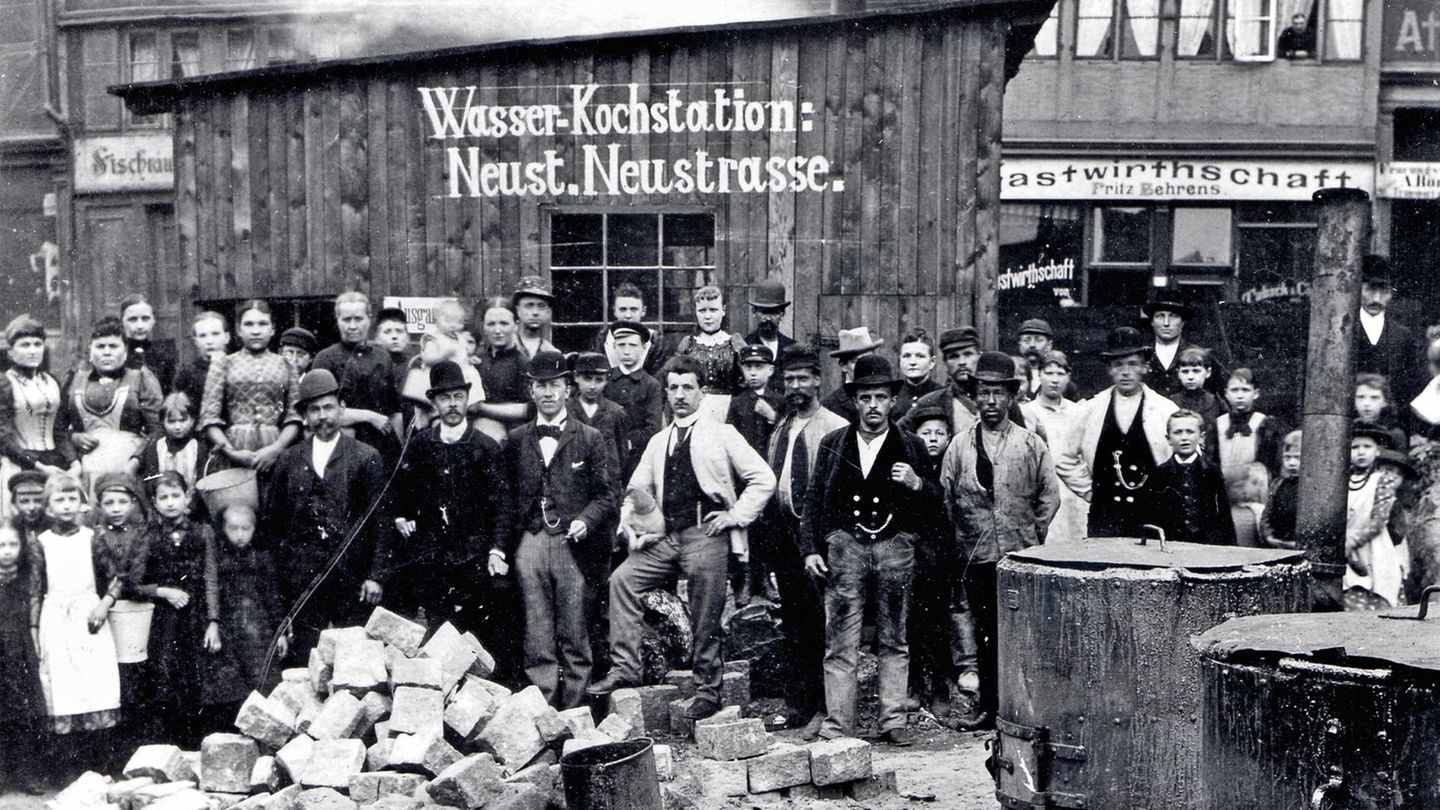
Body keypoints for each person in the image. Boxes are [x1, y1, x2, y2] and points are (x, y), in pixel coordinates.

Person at [588, 355, 775, 720]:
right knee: (623, 580)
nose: (679, 395)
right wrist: (634, 527)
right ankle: (626, 668)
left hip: (707, 534)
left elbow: (763, 479)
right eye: (673, 388)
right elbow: (636, 490)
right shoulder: (659, 441)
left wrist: (735, 516)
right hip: (666, 537)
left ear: (702, 392)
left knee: (706, 610)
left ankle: (708, 688)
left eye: (688, 387)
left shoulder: (722, 434)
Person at [800, 354, 939, 745]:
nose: (873, 405)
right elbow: (812, 500)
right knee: (841, 640)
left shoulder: (910, 445)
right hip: (846, 550)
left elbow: (936, 500)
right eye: (866, 398)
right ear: (855, 402)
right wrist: (812, 548)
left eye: (880, 397)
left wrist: (916, 484)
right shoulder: (833, 443)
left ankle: (893, 721)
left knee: (894, 638)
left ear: (892, 400)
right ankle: (838, 725)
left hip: (895, 548)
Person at [940, 352, 1058, 731]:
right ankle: (990, 709)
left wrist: (1030, 538)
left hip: (1020, 557)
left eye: (998, 394)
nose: (991, 402)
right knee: (986, 637)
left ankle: (1024, 710)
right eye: (984, 393)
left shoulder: (1030, 444)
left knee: (1022, 636)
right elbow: (947, 499)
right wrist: (964, 538)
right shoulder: (959, 446)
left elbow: (1049, 497)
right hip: (976, 557)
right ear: (974, 396)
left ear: (1012, 397)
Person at [389, 361, 517, 679]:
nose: (453, 405)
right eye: (445, 399)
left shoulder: (485, 448)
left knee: (479, 632)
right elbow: (401, 492)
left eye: (458, 397)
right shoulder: (420, 446)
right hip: (434, 557)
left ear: (467, 399)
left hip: (474, 556)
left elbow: (503, 506)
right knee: (438, 630)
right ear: (434, 402)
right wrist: (402, 517)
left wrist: (497, 550)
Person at [504, 351, 617, 708]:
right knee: (537, 630)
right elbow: (506, 498)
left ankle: (575, 707)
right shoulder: (517, 438)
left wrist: (586, 520)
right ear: (532, 390)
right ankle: (544, 706)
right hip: (531, 541)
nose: (548, 393)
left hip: (572, 543)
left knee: (573, 627)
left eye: (555, 385)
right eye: (541, 385)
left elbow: (607, 494)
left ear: (568, 389)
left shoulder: (590, 437)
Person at [262, 369, 389, 657]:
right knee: (305, 659)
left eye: (329, 407)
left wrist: (376, 575)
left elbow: (380, 522)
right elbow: (274, 525)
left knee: (354, 659)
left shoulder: (365, 456)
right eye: (314, 409)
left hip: (352, 577)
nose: (323, 416)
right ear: (304, 415)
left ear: (342, 408)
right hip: (303, 579)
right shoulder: (289, 460)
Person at [757, 345, 847, 734]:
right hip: (783, 537)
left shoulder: (834, 426)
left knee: (822, 623)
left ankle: (828, 708)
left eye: (802, 379)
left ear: (816, 380)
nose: (795, 386)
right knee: (794, 623)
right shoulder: (781, 427)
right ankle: (800, 704)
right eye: (789, 379)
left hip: (820, 541)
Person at [1056, 327, 1179, 538]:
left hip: (1152, 516)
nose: (1125, 371)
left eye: (1132, 364)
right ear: (1109, 369)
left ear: (1144, 367)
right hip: (1105, 516)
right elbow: (1065, 460)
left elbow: (1181, 461)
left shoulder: (1165, 410)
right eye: (1118, 364)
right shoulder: (1090, 410)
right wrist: (1090, 491)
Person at [32, 474, 120, 764]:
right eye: (60, 500)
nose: (67, 505)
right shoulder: (40, 542)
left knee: (95, 683)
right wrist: (34, 629)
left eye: (72, 499)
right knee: (62, 684)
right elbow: (35, 590)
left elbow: (117, 578)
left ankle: (100, 764)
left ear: (82, 504)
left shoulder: (92, 538)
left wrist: (104, 605)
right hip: (55, 618)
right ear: (48, 508)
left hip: (89, 617)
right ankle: (68, 767)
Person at [138, 471, 219, 747]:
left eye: (176, 495)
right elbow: (133, 583)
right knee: (164, 676)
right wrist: (162, 591)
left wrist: (213, 621)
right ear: (155, 502)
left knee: (196, 676)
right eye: (164, 497)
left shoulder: (203, 532)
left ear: (187, 497)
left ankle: (195, 745)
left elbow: (210, 576)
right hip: (164, 618)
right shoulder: (148, 536)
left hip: (196, 616)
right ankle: (165, 746)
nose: (170, 502)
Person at [198, 299, 301, 476]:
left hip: (276, 448)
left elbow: (295, 415)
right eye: (249, 324)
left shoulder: (286, 364)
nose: (256, 330)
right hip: (235, 448)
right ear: (238, 329)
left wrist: (276, 449)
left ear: (272, 329)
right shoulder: (223, 364)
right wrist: (231, 452)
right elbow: (208, 417)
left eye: (262, 324)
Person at [63, 317, 163, 497]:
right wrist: (74, 437)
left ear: (125, 352)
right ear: (91, 351)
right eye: (100, 347)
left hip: (128, 468)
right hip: (86, 470)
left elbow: (157, 430)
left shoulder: (141, 379)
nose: (106, 352)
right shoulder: (74, 380)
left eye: (113, 346)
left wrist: (134, 463)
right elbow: (58, 430)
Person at [202, 504, 286, 714]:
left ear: (254, 529)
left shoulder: (262, 558)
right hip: (229, 629)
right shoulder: (219, 559)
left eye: (245, 529)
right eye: (233, 529)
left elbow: (273, 597)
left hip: (259, 630)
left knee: (264, 679)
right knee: (232, 684)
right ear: (224, 529)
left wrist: (281, 632)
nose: (240, 535)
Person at [90, 472, 150, 752]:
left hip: (137, 612)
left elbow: (130, 574)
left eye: (122, 501)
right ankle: (112, 750)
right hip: (106, 614)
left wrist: (111, 594)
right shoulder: (97, 537)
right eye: (109, 502)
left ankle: (135, 746)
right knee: (109, 679)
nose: (115, 508)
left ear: (133, 503)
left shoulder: (141, 534)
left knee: (136, 678)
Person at [0, 315, 75, 516]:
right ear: (10, 353)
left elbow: (59, 430)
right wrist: (39, 466)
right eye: (25, 345)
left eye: (37, 344)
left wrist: (74, 463)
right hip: (20, 463)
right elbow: (4, 439)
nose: (33, 350)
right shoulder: (4, 384)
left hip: (54, 461)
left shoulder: (52, 382)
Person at [312, 292, 401, 456]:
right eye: (346, 320)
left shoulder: (382, 356)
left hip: (382, 446)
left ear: (369, 319)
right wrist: (370, 416)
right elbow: (320, 413)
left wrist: (399, 453)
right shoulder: (325, 358)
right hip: (341, 447)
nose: (352, 326)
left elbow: (394, 411)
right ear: (337, 321)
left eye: (358, 319)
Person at [1021, 351, 1087, 543]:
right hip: (1044, 488)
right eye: (1049, 373)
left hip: (1074, 493)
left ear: (1068, 376)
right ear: (1039, 375)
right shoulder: (1028, 412)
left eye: (1060, 374)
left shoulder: (1078, 411)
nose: (1055, 380)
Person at [0, 519, 45, 793]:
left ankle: (26, 774)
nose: (6, 550)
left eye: (12, 544)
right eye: (1, 545)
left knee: (23, 713)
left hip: (20, 651)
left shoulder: (28, 576)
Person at [1148, 410, 1235, 545]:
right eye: (1177, 432)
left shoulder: (1212, 472)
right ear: (1168, 439)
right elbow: (1153, 518)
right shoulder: (1160, 473)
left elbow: (1224, 516)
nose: (1184, 438)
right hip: (1171, 545)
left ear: (1201, 437)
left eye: (1190, 432)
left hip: (1207, 545)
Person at [1355, 256, 1422, 429]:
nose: (1376, 299)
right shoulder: (1344, 332)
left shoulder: (1403, 336)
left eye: (1384, 291)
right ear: (1358, 289)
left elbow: (1412, 386)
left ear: (1391, 293)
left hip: (1391, 426)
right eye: (1370, 290)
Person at [1346, 421, 1406, 608]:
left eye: (1367, 447)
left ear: (1377, 451)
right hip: (1345, 548)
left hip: (1373, 546)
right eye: (1355, 447)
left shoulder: (1382, 480)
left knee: (1376, 596)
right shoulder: (1343, 479)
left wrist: (1352, 541)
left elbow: (1379, 519)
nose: (1361, 452)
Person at [672, 285, 746, 423]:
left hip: (728, 410)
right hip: (694, 409)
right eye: (702, 310)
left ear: (723, 311)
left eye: (713, 310)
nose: (707, 316)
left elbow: (744, 385)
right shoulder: (688, 344)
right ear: (696, 312)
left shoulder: (734, 343)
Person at [604, 321, 665, 477]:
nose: (626, 351)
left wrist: (627, 442)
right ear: (614, 348)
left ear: (644, 348)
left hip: (638, 458)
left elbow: (653, 428)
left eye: (632, 345)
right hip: (604, 455)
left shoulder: (651, 385)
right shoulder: (605, 381)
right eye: (621, 345)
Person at [472, 297, 533, 444]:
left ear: (516, 326)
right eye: (491, 324)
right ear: (483, 327)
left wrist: (482, 408)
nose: (497, 330)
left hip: (514, 430)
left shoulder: (523, 363)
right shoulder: (475, 360)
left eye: (504, 323)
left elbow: (530, 408)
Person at [1216, 368, 1285, 494]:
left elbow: (1272, 464)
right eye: (1235, 390)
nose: (1240, 395)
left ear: (1255, 393)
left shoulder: (1264, 423)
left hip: (1255, 491)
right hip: (1223, 489)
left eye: (1245, 390)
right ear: (1226, 393)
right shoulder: (1218, 424)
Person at [129, 392, 205, 493]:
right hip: (162, 502)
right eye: (171, 421)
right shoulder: (156, 448)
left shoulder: (198, 448)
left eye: (182, 420)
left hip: (191, 503)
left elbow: (202, 482)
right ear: (163, 422)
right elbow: (151, 482)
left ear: (192, 420)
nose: (177, 427)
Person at [589, 283, 665, 376]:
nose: (628, 315)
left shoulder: (654, 342)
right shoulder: (603, 340)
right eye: (623, 309)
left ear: (643, 311)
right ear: (614, 311)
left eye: (633, 309)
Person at [570, 352, 629, 468]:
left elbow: (623, 454)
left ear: (606, 380)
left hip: (606, 481)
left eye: (599, 380)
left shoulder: (615, 412)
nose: (592, 386)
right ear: (576, 377)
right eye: (587, 379)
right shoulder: (566, 410)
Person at [1144, 289, 1206, 399]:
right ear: (1152, 321)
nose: (1166, 323)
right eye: (1160, 316)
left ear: (1183, 322)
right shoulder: (1142, 354)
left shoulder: (1199, 354)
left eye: (1173, 316)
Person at [726, 345, 783, 455]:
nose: (753, 373)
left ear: (770, 370)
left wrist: (772, 416)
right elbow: (730, 435)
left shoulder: (780, 400)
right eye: (748, 367)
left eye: (758, 367)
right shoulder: (737, 402)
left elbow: (790, 430)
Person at [820, 327, 885, 423]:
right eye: (856, 361)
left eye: (868, 359)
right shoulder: (829, 406)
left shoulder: (886, 398)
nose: (864, 366)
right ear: (844, 366)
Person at [118, 294, 178, 396]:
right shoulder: (116, 355)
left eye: (145, 319)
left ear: (153, 320)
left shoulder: (163, 357)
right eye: (132, 319)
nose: (140, 326)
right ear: (121, 322)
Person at [745, 279, 796, 397]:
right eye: (764, 312)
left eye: (773, 313)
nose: (768, 318)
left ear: (782, 314)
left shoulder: (792, 348)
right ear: (754, 312)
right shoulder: (745, 346)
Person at [173, 311, 230, 409]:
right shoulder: (186, 374)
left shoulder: (237, 367)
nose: (209, 341)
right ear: (195, 341)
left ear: (226, 337)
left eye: (215, 334)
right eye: (203, 336)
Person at [1261, 430, 1303, 549]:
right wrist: (1268, 536)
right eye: (1287, 458)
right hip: (1277, 544)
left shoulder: (1312, 488)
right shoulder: (1277, 484)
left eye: (1297, 458)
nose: (1292, 463)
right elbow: (1267, 514)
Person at [893, 329, 944, 421]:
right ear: (900, 361)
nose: (912, 362)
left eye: (920, 356)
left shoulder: (942, 395)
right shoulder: (893, 395)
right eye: (906, 356)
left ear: (932, 362)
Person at [513, 276, 560, 361]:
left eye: (541, 306)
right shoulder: (506, 344)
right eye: (529, 306)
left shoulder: (551, 352)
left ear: (549, 312)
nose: (535, 312)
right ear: (518, 310)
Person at [374, 306, 417, 391]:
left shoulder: (415, 367)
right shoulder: (372, 368)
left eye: (399, 331)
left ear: (407, 337)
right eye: (387, 332)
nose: (394, 336)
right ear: (377, 338)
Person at [9, 470, 49, 550]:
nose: (32, 507)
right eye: (24, 501)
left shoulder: (54, 529)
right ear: (14, 504)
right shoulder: (8, 532)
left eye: (38, 501)